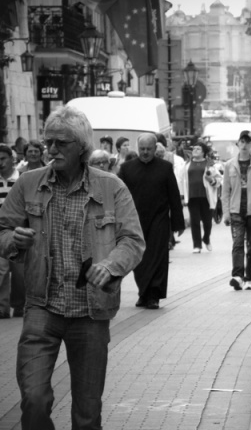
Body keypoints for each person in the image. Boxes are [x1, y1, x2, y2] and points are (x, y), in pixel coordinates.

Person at [0, 106, 145, 430]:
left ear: (81, 146)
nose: (51, 150)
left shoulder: (111, 187)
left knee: (87, 412)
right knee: (34, 399)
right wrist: (14, 240)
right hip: (41, 306)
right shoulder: (28, 183)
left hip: (90, 313)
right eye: (48, 141)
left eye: (60, 143)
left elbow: (133, 241)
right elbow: (2, 230)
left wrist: (110, 266)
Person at [118, 133, 185, 309]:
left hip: (159, 220)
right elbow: (119, 197)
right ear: (137, 148)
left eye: (149, 149)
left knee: (157, 258)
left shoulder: (165, 168)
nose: (145, 152)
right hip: (135, 221)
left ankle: (154, 295)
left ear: (155, 149)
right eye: (142, 149)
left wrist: (178, 222)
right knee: (139, 260)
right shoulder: (127, 169)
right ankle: (143, 293)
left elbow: (173, 196)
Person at [222, 130, 251, 290]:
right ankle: (237, 276)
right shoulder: (229, 165)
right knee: (237, 244)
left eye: (248, 142)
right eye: (242, 142)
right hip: (236, 211)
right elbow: (225, 191)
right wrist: (226, 213)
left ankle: (250, 278)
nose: (244, 145)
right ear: (237, 144)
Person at [180, 141, 222, 253]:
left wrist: (212, 180)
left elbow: (219, 180)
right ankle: (197, 245)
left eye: (198, 149)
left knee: (207, 222)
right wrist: (182, 196)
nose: (195, 150)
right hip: (192, 196)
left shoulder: (210, 165)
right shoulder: (187, 165)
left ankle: (206, 238)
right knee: (194, 221)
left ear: (204, 152)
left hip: (206, 197)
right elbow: (181, 180)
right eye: (194, 148)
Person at [0, 144, 24, 318]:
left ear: (11, 159)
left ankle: (19, 305)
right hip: (1, 231)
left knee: (19, 273)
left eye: (3, 159)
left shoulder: (22, 179)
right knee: (1, 270)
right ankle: (2, 308)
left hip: (19, 230)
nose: (0, 163)